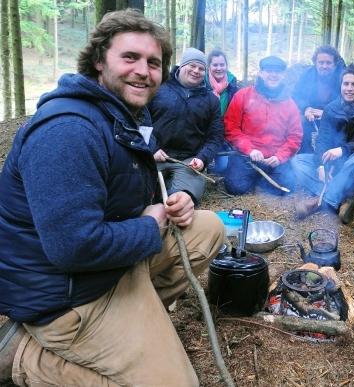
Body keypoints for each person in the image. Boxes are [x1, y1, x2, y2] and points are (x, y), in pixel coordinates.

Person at [0, 10, 224, 386]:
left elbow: (123, 201)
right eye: (130, 58)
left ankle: (139, 316)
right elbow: (74, 247)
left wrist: (174, 205)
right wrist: (151, 223)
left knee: (209, 227)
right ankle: (25, 356)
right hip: (67, 294)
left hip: (110, 268)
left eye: (153, 62)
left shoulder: (120, 118)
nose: (144, 70)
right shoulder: (69, 130)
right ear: (99, 61)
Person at [293, 64, 354, 223]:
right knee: (297, 161)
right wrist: (321, 164)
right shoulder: (331, 108)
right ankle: (344, 197)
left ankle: (322, 202)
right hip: (334, 163)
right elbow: (323, 140)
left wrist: (343, 150)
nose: (349, 88)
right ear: (340, 85)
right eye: (345, 84)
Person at [149, 47, 224, 205]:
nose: (196, 71)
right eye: (192, 65)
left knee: (181, 202)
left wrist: (202, 158)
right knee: (137, 193)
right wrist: (152, 148)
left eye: (201, 68)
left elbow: (215, 137)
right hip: (153, 156)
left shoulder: (212, 101)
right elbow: (140, 121)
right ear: (182, 65)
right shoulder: (158, 89)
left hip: (189, 161)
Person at [223, 55, 302, 195]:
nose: (273, 75)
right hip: (246, 156)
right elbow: (231, 127)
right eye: (269, 70)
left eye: (277, 71)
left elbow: (295, 137)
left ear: (283, 75)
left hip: (274, 159)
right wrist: (249, 149)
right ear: (261, 72)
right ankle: (252, 177)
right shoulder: (243, 95)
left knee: (287, 188)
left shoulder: (290, 104)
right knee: (235, 187)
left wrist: (280, 157)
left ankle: (261, 179)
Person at [292, 45, 346, 154]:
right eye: (321, 62)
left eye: (328, 63)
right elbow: (296, 95)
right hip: (311, 115)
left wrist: (328, 113)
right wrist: (305, 108)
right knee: (301, 124)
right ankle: (305, 156)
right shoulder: (307, 75)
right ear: (315, 63)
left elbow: (348, 101)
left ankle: (332, 158)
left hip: (335, 116)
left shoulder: (343, 77)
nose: (324, 66)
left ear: (335, 64)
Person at [205, 49, 241, 174]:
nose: (219, 68)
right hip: (202, 131)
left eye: (222, 64)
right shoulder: (200, 83)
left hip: (223, 132)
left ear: (226, 66)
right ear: (209, 66)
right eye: (215, 65)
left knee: (222, 168)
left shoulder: (232, 85)